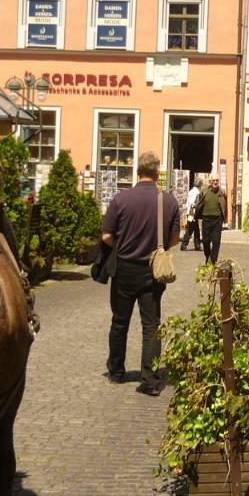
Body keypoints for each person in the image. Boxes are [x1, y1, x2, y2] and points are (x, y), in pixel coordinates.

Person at [100, 151, 180, 396]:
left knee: (119, 322)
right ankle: (150, 377)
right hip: (152, 271)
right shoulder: (168, 201)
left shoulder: (121, 199)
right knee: (151, 325)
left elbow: (106, 235)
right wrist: (157, 246)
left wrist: (123, 247)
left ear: (137, 172)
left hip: (124, 269)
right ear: (157, 174)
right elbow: (175, 239)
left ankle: (116, 371)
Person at [194, 173, 227, 264]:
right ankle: (207, 255)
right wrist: (196, 214)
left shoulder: (222, 192)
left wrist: (224, 218)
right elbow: (199, 203)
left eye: (217, 180)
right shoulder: (204, 191)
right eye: (213, 180)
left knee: (216, 242)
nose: (215, 182)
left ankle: (213, 260)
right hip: (206, 219)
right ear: (210, 181)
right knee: (205, 241)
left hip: (217, 220)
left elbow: (225, 206)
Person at [180, 178, 202, 251]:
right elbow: (195, 204)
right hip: (193, 213)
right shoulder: (197, 193)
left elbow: (187, 204)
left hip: (189, 212)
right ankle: (184, 244)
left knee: (196, 230)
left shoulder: (190, 191)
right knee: (190, 230)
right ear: (199, 185)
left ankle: (197, 245)